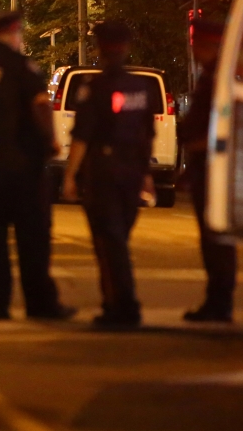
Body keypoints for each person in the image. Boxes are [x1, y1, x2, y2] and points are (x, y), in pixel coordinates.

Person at [0, 10, 75, 322]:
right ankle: (39, 302)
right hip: (18, 163)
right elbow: (40, 106)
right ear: (14, 34)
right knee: (32, 235)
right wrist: (51, 141)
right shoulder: (20, 66)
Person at [62, 21, 155, 328]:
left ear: (99, 49)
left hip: (104, 172)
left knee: (108, 241)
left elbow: (82, 136)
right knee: (119, 239)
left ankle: (122, 306)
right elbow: (147, 134)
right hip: (132, 170)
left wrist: (70, 176)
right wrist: (146, 173)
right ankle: (119, 304)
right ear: (126, 48)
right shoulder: (141, 88)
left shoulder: (95, 87)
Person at [179, 19, 236, 323]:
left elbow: (223, 126)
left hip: (213, 168)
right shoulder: (213, 76)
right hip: (205, 166)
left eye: (197, 44)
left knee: (216, 239)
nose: (193, 50)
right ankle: (217, 300)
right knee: (212, 239)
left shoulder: (219, 79)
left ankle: (219, 302)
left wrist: (202, 145)